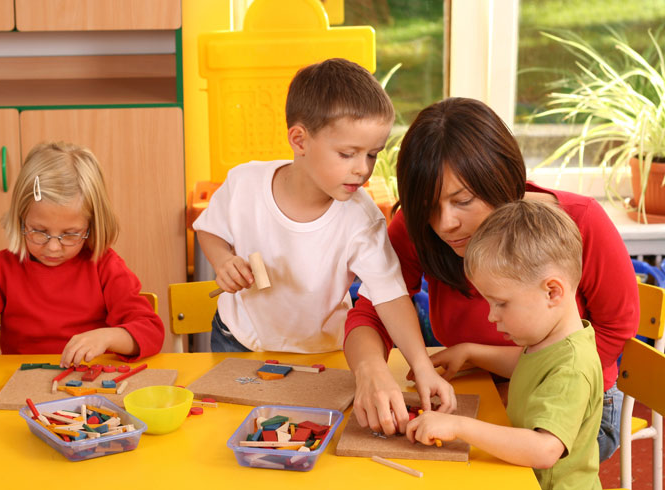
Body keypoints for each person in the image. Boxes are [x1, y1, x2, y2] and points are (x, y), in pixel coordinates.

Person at [344, 97, 638, 459]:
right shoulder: (419, 229)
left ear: (502, 179)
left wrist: (516, 390)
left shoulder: (579, 222)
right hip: (479, 389)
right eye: (428, 206)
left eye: (463, 200)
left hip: (569, 406)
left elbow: (615, 331)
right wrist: (370, 370)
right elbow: (371, 313)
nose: (445, 223)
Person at [193, 58, 455, 413]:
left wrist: (422, 367)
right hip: (237, 341)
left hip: (323, 354)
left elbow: (391, 298)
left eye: (373, 155)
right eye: (347, 154)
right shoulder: (244, 183)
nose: (363, 169)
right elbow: (209, 230)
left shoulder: (361, 219)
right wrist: (222, 260)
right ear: (300, 140)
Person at [407, 199, 603, 490]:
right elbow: (530, 366)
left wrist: (459, 426)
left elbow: (544, 450)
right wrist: (471, 351)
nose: (491, 315)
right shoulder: (552, 342)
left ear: (552, 292)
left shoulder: (573, 367)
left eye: (501, 303)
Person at [0, 141, 165, 366]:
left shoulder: (105, 266)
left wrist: (108, 337)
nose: (53, 247)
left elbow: (150, 331)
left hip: (89, 382)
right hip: (22, 381)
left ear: (92, 226)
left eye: (70, 234)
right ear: (20, 220)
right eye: (39, 231)